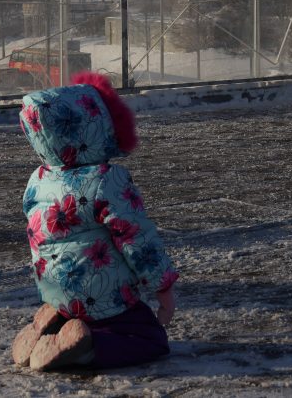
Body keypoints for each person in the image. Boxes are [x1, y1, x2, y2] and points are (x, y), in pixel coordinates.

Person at [11, 71, 179, 371]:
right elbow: (137, 238)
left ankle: (52, 326)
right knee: (149, 337)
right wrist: (162, 287)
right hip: (103, 294)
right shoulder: (106, 179)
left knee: (80, 305)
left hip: (56, 287)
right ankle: (85, 349)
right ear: (97, 128)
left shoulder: (38, 180)